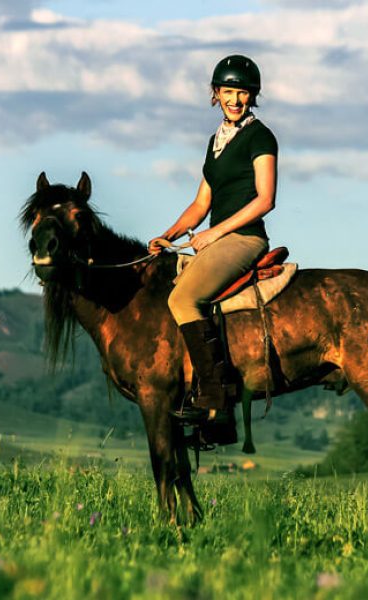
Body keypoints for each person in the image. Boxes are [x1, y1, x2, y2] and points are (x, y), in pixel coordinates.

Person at [148, 55, 278, 445]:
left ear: (251, 95)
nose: (234, 99)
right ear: (216, 93)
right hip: (217, 237)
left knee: (184, 299)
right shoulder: (216, 142)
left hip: (244, 239)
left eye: (241, 92)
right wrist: (169, 234)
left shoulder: (261, 137)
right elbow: (201, 203)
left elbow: (265, 199)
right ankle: (192, 394)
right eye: (227, 91)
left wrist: (213, 234)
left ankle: (219, 404)